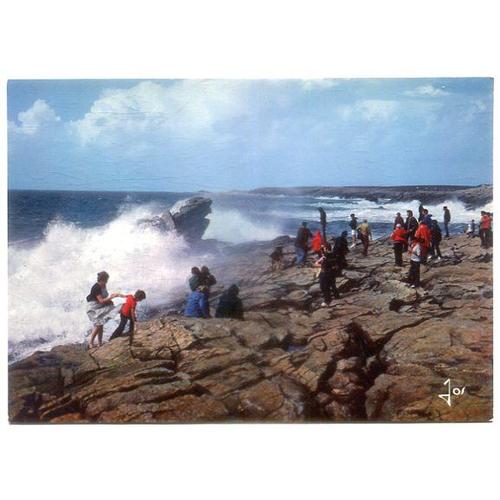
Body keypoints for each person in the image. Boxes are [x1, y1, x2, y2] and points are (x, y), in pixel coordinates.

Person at [86, 271, 124, 348]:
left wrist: (109, 300)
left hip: (100, 306)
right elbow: (101, 300)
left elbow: (104, 298)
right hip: (93, 308)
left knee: (101, 324)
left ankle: (99, 343)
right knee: (98, 325)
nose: (107, 281)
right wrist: (112, 297)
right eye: (106, 280)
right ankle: (91, 343)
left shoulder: (104, 285)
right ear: (102, 279)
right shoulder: (96, 287)